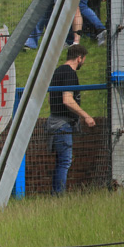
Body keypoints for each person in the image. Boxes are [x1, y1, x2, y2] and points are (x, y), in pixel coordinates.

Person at [46, 44, 94, 195]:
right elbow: (67, 99)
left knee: (61, 161)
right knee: (65, 162)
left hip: (55, 122)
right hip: (62, 124)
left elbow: (51, 98)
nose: (83, 62)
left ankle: (56, 194)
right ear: (79, 58)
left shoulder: (58, 71)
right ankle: (58, 195)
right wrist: (85, 115)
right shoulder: (69, 73)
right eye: (83, 59)